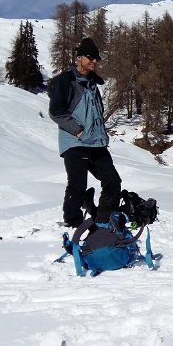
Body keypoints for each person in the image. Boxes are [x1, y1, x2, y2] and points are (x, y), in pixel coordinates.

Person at [48, 38, 122, 228]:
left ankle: (104, 222)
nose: (94, 61)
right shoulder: (66, 81)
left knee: (112, 181)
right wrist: (78, 130)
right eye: (90, 57)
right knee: (77, 186)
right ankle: (72, 223)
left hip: (96, 143)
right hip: (75, 142)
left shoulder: (92, 85)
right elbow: (56, 111)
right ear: (79, 57)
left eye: (97, 58)